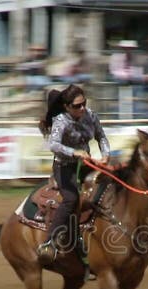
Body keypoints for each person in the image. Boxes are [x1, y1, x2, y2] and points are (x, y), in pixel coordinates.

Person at [36, 85, 111, 268]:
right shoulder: (61, 121)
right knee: (71, 199)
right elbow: (53, 145)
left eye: (84, 103)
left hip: (86, 164)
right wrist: (75, 152)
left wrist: (105, 155)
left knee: (109, 185)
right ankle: (50, 241)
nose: (82, 108)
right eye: (77, 106)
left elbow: (101, 136)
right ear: (67, 107)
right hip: (64, 167)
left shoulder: (90, 116)